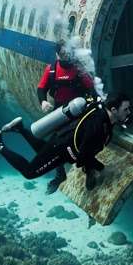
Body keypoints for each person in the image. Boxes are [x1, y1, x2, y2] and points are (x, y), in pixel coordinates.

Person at [0, 92, 130, 192]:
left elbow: (86, 151)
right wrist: (102, 169)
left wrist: (91, 170)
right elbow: (82, 158)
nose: (128, 112)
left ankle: (19, 128)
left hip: (62, 142)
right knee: (30, 172)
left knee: (44, 152)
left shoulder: (103, 118)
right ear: (113, 109)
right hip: (61, 148)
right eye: (125, 109)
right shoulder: (98, 125)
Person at [34, 40, 97, 194]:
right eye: (63, 54)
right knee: (54, 144)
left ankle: (89, 171)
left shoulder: (79, 70)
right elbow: (41, 88)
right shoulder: (52, 70)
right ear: (58, 54)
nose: (66, 56)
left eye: (69, 53)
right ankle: (60, 174)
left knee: (83, 142)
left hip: (79, 111)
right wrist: (42, 102)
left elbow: (91, 89)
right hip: (60, 111)